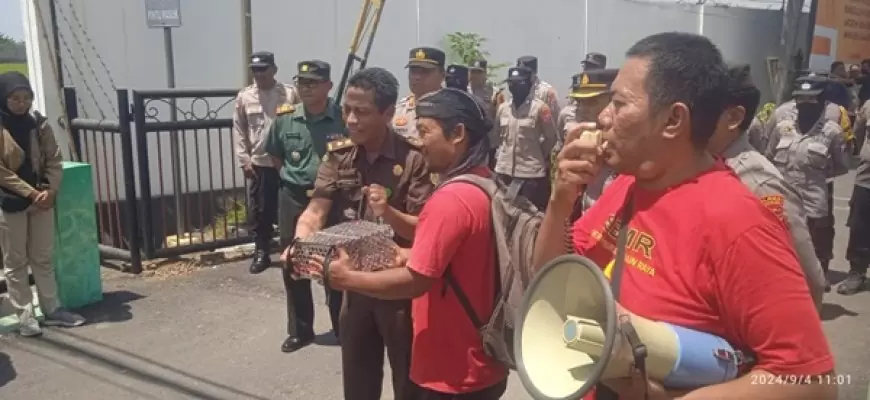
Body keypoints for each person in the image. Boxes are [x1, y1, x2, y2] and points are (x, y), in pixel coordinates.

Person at [534, 32, 835, 400]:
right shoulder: (626, 185)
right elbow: (550, 280)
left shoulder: (739, 222)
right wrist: (560, 201)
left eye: (619, 104)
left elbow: (811, 382)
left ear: (673, 120)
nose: (602, 117)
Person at [310, 88, 509, 399]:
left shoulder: (450, 199)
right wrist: (405, 253)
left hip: (452, 370)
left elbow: (416, 281)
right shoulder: (485, 183)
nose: (419, 141)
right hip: (483, 359)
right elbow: (457, 256)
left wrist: (344, 278)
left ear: (457, 134)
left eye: (425, 131)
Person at [283, 67, 433, 400]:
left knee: (410, 383)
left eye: (362, 112)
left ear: (388, 113)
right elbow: (316, 210)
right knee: (358, 383)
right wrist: (300, 242)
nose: (351, 120)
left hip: (399, 290)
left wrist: (388, 212)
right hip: (353, 288)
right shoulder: (340, 156)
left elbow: (424, 228)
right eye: (347, 110)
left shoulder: (414, 160)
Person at [707, 63, 826, 309]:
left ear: (733, 118)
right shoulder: (699, 165)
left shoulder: (758, 184)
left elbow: (809, 280)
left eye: (701, 109)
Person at [263, 60, 345, 352]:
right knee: (293, 262)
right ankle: (301, 330)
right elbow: (275, 155)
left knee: (336, 261)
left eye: (313, 83)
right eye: (302, 82)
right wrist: (294, 178)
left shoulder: (342, 118)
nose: (306, 88)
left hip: (334, 198)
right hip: (294, 197)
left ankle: (343, 326)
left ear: (328, 86)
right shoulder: (285, 118)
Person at [0, 71, 86, 337]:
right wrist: (30, 193)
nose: (21, 103)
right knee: (16, 262)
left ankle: (53, 309)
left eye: (26, 98)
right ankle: (25, 317)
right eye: (15, 98)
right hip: (10, 202)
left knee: (43, 258)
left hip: (42, 200)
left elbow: (54, 160)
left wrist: (50, 190)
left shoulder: (39, 124)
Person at [765, 75, 850, 292]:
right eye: (800, 98)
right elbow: (769, 154)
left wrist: (816, 175)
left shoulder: (832, 131)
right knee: (778, 244)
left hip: (813, 201)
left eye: (811, 99)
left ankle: (815, 285)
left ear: (822, 100)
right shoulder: (783, 126)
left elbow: (841, 166)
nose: (804, 104)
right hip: (782, 199)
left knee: (815, 246)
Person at [233, 51, 300, 274]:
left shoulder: (289, 94)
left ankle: (293, 252)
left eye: (263, 69)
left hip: (288, 162)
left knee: (291, 209)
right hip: (260, 163)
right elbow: (240, 130)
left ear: (274, 70)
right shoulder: (245, 97)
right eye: (255, 70)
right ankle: (261, 252)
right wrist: (244, 160)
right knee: (261, 211)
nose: (259, 74)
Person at [493, 66, 559, 210]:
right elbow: (497, 135)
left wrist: (538, 154)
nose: (514, 86)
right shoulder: (503, 108)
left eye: (519, 83)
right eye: (511, 83)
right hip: (504, 172)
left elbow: (551, 137)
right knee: (503, 212)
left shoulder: (541, 108)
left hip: (530, 173)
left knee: (531, 216)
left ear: (529, 84)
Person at [556, 69, 619, 212]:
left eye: (591, 102)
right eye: (579, 102)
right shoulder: (583, 140)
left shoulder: (627, 152)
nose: (582, 109)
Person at [838, 98, 870, 295]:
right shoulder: (869, 106)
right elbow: (857, 133)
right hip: (866, 179)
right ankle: (857, 272)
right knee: (860, 227)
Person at [393, 47, 446, 140]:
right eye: (413, 71)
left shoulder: (450, 110)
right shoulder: (399, 110)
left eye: (425, 72)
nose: (417, 77)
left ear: (442, 75)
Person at [468, 59, 500, 166]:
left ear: (485, 74)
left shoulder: (494, 92)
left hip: (489, 143)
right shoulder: (463, 90)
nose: (475, 75)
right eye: (473, 72)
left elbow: (500, 117)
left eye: (479, 72)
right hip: (470, 142)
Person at [511, 56, 560, 124]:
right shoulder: (515, 87)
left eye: (525, 72)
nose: (523, 75)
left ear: (534, 72)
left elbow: (555, 120)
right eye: (520, 72)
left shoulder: (547, 92)